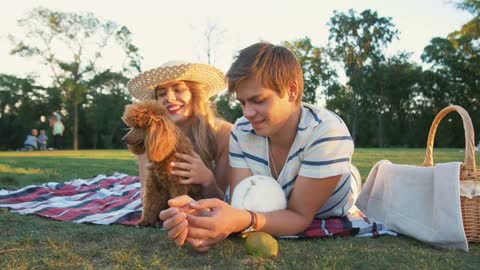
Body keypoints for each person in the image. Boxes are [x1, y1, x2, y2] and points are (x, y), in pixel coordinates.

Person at [160, 42, 361, 252]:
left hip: (334, 195)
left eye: (258, 100)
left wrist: (241, 220)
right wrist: (201, 217)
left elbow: (299, 216)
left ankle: (350, 174)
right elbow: (241, 207)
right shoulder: (242, 131)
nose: (247, 113)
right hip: (273, 196)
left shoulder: (327, 133)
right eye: (243, 103)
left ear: (291, 91)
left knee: (351, 180)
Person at [127, 61, 232, 200]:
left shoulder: (223, 133)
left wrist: (208, 180)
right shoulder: (149, 137)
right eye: (162, 94)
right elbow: (146, 195)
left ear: (196, 94)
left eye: (179, 90)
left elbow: (227, 201)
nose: (169, 98)